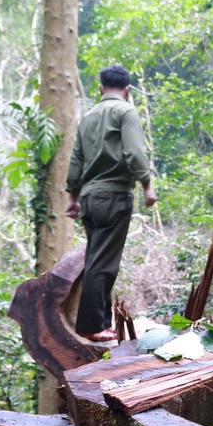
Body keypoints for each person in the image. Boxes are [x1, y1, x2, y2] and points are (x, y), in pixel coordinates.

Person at [64, 64, 157, 343]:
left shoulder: (88, 117)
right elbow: (134, 152)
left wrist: (72, 197)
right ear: (127, 90)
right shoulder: (126, 111)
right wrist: (147, 184)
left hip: (90, 200)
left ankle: (102, 323)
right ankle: (91, 325)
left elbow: (76, 159)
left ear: (100, 88)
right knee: (103, 263)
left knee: (97, 259)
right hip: (114, 196)